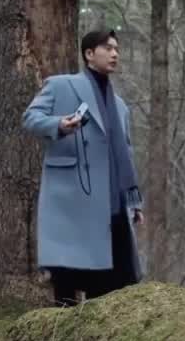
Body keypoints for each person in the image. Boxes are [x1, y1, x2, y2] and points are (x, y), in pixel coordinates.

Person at [22, 28, 144, 307]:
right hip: (72, 198)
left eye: (117, 49)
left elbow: (125, 153)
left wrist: (135, 201)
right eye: (108, 48)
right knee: (68, 276)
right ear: (89, 54)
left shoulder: (120, 106)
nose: (115, 54)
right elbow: (30, 118)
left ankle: (101, 327)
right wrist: (59, 125)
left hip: (112, 202)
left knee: (113, 284)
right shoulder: (61, 85)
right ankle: (62, 329)